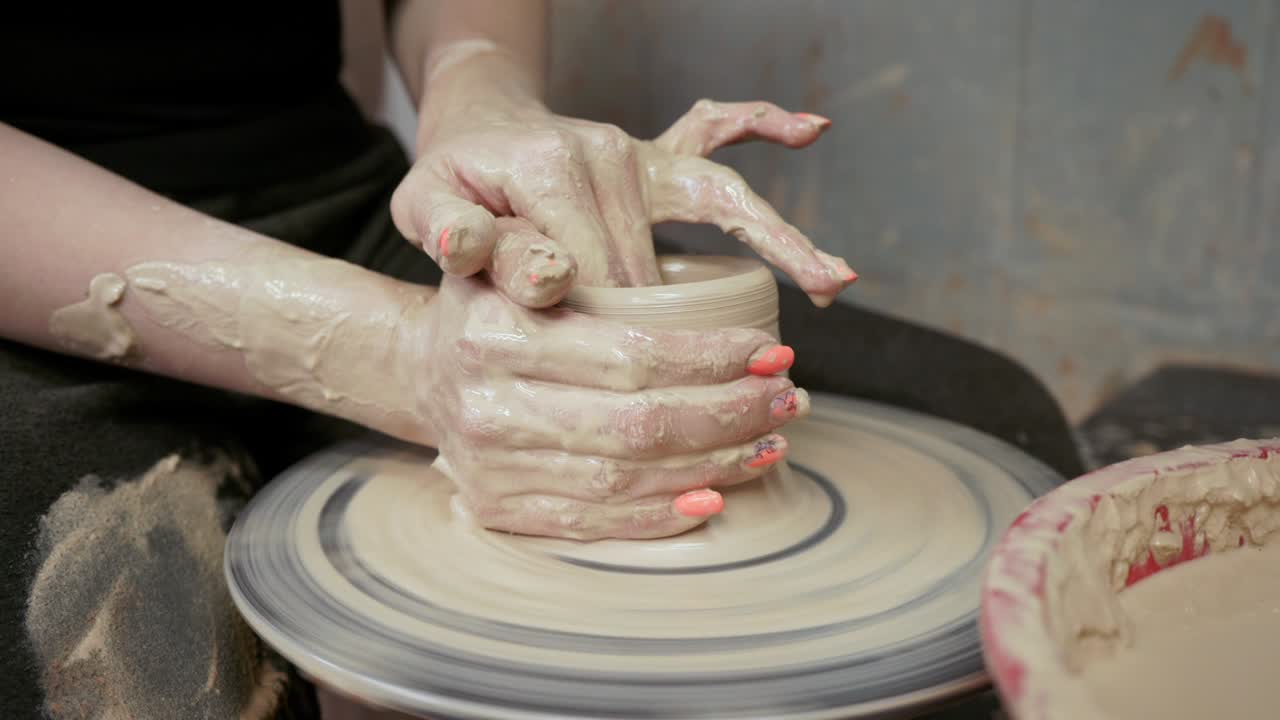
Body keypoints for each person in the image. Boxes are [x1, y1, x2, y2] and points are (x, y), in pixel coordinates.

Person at [0, 3, 1084, 718]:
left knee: (999, 438)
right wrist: (396, 357)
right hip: (40, 265)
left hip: (337, 186)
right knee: (122, 631)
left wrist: (478, 92)